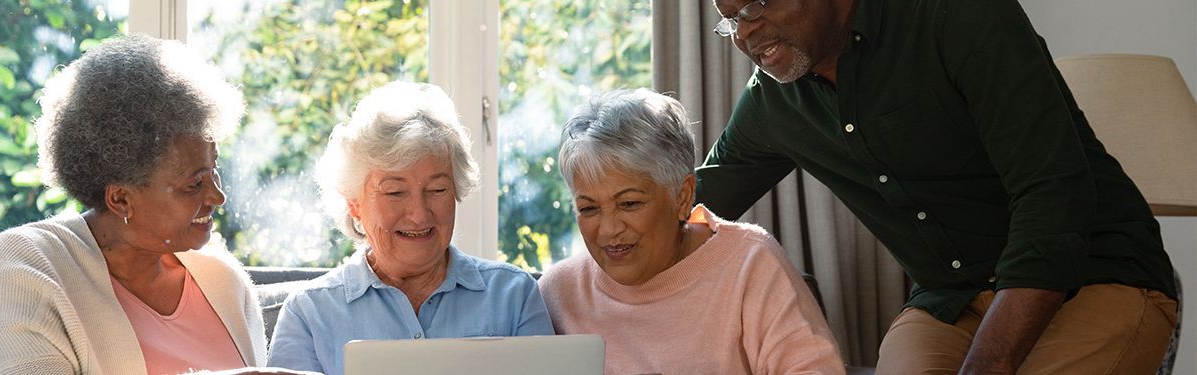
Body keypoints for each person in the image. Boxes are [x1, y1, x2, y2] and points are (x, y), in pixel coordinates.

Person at [699, 0, 1179, 373]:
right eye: (729, 19)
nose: (743, 32)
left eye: (755, 6)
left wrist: (990, 363)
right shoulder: (771, 103)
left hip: (1098, 272)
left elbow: (1052, 192)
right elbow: (694, 199)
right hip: (953, 297)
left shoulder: (957, 17)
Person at [0, 34, 282, 375]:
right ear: (120, 198)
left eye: (214, 172)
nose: (217, 196)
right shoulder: (28, 264)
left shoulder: (223, 280)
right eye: (194, 184)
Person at [538, 88, 844, 374]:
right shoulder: (558, 292)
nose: (608, 230)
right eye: (589, 208)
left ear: (682, 196)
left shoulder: (751, 263)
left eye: (629, 203)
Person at [266, 81, 555, 374]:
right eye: (394, 192)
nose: (418, 215)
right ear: (355, 204)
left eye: (437, 189)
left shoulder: (513, 296)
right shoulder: (309, 314)